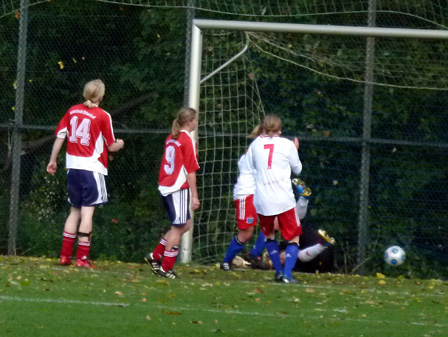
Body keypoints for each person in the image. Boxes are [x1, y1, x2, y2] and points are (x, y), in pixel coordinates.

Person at [47, 79, 124, 268]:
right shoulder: (102, 116)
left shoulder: (72, 111)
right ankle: (82, 258)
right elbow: (112, 146)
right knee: (87, 213)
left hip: (73, 167)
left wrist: (53, 160)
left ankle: (65, 256)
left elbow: (60, 137)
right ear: (101, 96)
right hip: (92, 168)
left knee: (74, 211)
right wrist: (121, 143)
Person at [144, 107, 200, 279]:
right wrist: (195, 196)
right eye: (196, 119)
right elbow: (190, 171)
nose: (197, 122)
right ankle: (166, 268)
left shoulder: (172, 137)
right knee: (178, 227)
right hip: (177, 187)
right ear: (190, 122)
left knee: (185, 225)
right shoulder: (186, 139)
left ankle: (156, 255)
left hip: (166, 185)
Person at [246, 114, 302, 284]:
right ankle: (287, 275)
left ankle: (278, 272)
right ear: (280, 130)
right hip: (284, 199)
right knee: (293, 237)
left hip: (263, 199)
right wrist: (295, 150)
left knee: (269, 235)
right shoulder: (287, 144)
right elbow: (298, 170)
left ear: (263, 128)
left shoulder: (255, 144)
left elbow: (252, 166)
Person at [253, 179, 336, 273]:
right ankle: (304, 200)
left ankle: (303, 200)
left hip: (320, 258)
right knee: (293, 248)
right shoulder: (293, 238)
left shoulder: (288, 240)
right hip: (319, 259)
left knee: (291, 229)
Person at [220, 152, 265, 271]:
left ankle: (254, 255)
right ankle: (226, 261)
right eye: (276, 131)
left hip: (260, 194)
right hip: (247, 194)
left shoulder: (267, 147)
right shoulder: (257, 149)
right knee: (246, 233)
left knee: (274, 223)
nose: (279, 133)